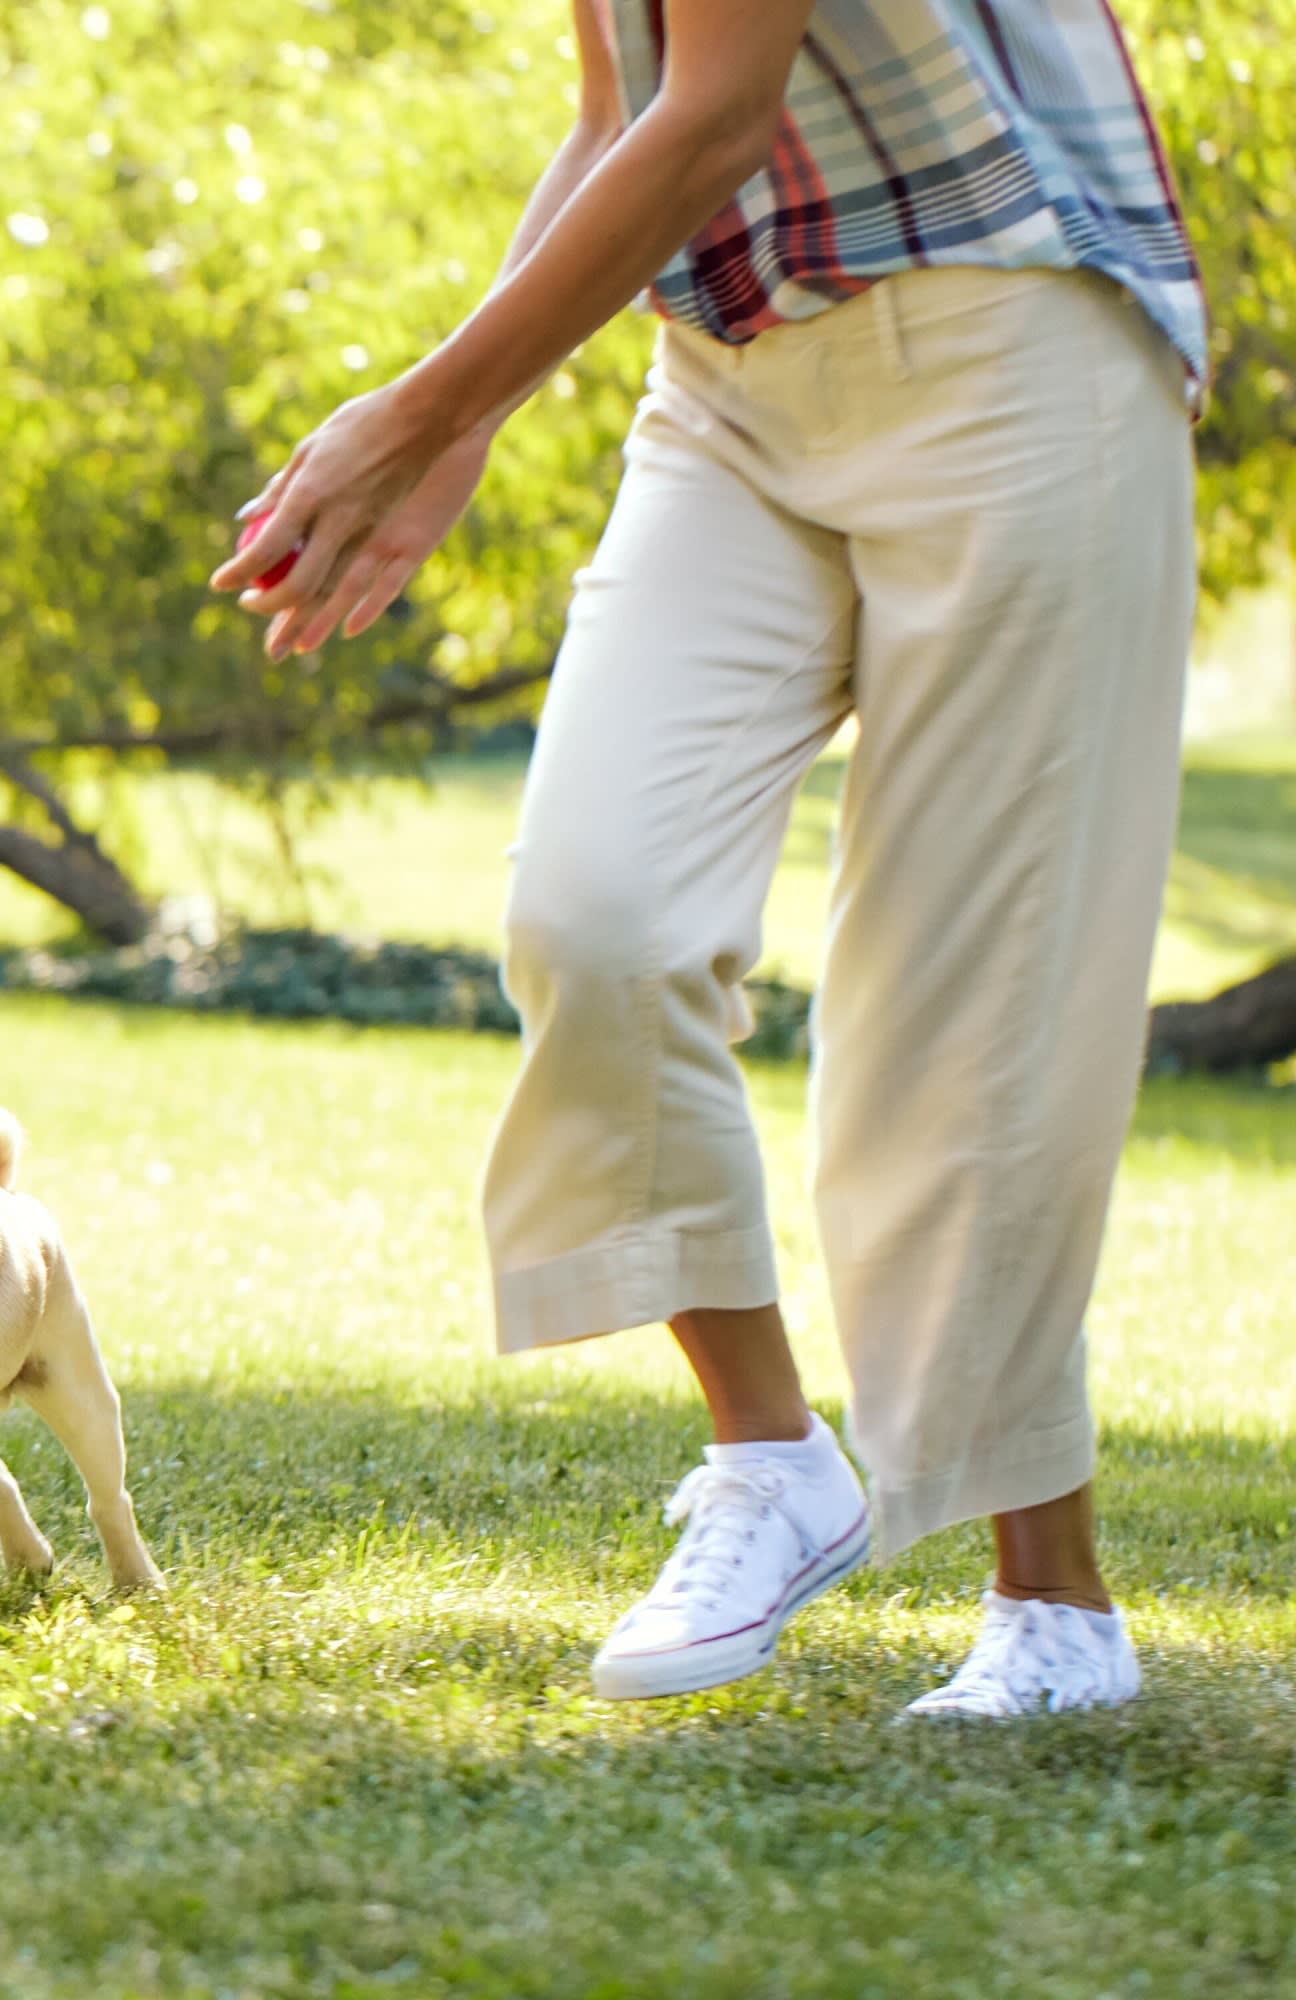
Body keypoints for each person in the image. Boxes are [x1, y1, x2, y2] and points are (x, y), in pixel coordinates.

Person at [211, 0, 1203, 1718]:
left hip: (1011, 346)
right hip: (731, 387)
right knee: (595, 911)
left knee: (979, 1013)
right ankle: (772, 1455)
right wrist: (459, 436)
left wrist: (419, 410)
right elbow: (627, 109)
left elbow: (722, 118)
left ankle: (1056, 1612)